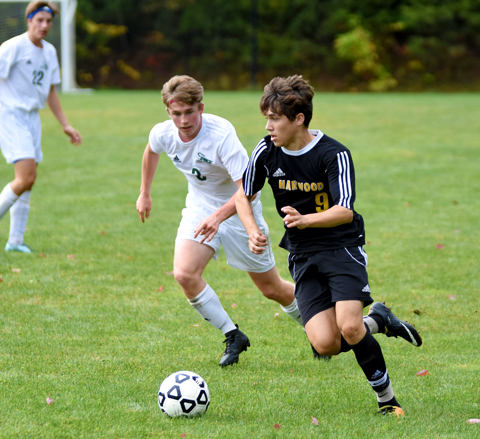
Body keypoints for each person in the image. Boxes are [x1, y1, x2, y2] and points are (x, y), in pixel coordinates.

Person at [236, 75, 422, 414]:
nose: (268, 126)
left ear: (298, 119)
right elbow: (242, 196)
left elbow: (344, 211)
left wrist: (306, 220)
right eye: (266, 118)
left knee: (349, 326)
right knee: (325, 343)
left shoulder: (333, 154)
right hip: (302, 253)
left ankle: (387, 401)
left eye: (274, 118)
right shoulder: (266, 150)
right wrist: (251, 231)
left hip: (341, 247)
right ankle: (378, 320)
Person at [136, 75, 304, 367]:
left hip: (239, 212)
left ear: (201, 108)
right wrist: (144, 193)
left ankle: (317, 326)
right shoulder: (163, 132)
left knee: (272, 289)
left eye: (189, 112)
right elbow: (151, 152)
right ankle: (233, 334)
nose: (183, 120)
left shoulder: (220, 133)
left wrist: (218, 217)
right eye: (176, 113)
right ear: (168, 112)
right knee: (184, 274)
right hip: (200, 208)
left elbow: (247, 190)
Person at [0, 1, 81, 253]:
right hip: (11, 114)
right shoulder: (13, 46)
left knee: (29, 180)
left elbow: (50, 90)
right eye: (39, 20)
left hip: (32, 118)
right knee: (26, 177)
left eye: (48, 21)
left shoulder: (49, 51)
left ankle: (15, 241)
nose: (44, 25)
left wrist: (65, 124)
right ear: (28, 20)